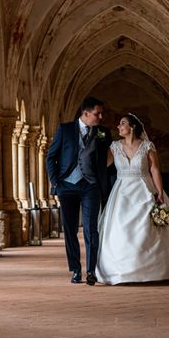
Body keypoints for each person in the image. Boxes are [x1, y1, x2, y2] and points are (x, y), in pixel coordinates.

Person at [96, 113, 169, 285]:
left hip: (144, 189)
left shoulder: (147, 146)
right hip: (122, 193)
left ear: (132, 127)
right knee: (121, 229)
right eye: (119, 124)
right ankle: (120, 271)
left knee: (149, 228)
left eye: (123, 123)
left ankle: (155, 269)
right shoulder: (115, 146)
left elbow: (155, 170)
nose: (119, 126)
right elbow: (102, 164)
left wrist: (160, 192)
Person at [46, 96, 113, 285]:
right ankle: (75, 270)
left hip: (90, 186)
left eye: (101, 113)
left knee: (92, 229)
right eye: (97, 113)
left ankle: (91, 271)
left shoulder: (103, 133)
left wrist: (100, 176)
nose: (100, 117)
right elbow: (50, 157)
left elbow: (109, 157)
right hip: (66, 186)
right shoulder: (65, 129)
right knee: (70, 229)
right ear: (85, 113)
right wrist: (56, 183)